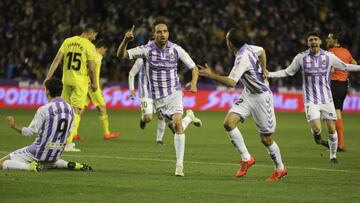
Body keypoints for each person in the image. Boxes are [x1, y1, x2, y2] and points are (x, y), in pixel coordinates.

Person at [198, 28, 287, 182]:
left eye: (226, 39)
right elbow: (262, 51)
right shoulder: (250, 48)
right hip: (248, 93)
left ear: (230, 43)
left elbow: (231, 82)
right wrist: (264, 69)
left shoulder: (242, 58)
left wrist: (210, 75)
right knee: (228, 123)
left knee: (266, 138)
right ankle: (246, 158)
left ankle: (280, 168)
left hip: (261, 97)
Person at [117, 18, 202, 176]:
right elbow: (121, 55)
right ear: (153, 34)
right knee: (176, 129)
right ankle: (189, 117)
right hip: (157, 99)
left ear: (168, 33)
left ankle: (179, 166)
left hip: (174, 93)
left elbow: (194, 67)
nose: (162, 34)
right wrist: (125, 41)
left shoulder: (176, 49)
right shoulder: (146, 50)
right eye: (159, 32)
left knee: (177, 125)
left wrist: (194, 83)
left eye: (165, 31)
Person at [267, 31, 360, 164]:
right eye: (311, 40)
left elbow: (345, 66)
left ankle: (333, 156)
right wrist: (269, 74)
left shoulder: (329, 56)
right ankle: (317, 137)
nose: (313, 42)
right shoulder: (301, 57)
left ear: (320, 42)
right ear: (308, 43)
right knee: (317, 128)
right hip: (311, 101)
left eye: (316, 39)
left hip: (327, 99)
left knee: (332, 129)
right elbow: (287, 72)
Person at [0, 78, 92, 172]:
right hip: (56, 154)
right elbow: (68, 133)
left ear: (47, 91)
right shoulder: (71, 109)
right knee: (48, 162)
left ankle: (29, 167)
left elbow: (29, 133)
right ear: (61, 90)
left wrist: (13, 125)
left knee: (1, 163)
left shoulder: (45, 109)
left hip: (38, 152)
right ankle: (67, 164)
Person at [44, 24, 99, 152]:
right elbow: (91, 67)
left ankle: (56, 140)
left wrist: (48, 77)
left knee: (64, 111)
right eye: (94, 35)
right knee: (76, 112)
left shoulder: (68, 41)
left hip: (66, 80)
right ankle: (68, 143)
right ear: (90, 33)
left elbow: (57, 59)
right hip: (80, 81)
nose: (95, 38)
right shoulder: (89, 46)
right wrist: (94, 82)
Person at [78, 39, 119, 140]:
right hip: (93, 86)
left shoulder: (90, 54)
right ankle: (107, 133)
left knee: (81, 108)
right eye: (105, 50)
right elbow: (92, 69)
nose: (104, 53)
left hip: (85, 84)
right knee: (102, 107)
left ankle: (73, 132)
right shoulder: (97, 56)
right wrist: (94, 83)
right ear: (102, 48)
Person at [326, 32, 357, 152]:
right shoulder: (346, 52)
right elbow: (354, 64)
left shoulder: (330, 53)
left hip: (334, 85)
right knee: (334, 114)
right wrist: (345, 72)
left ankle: (340, 144)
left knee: (334, 114)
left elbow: (331, 68)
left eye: (329, 39)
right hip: (344, 86)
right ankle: (336, 142)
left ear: (336, 40)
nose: (327, 40)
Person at [129, 58, 166, 145]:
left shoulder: (162, 57)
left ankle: (159, 139)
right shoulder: (141, 60)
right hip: (145, 92)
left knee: (162, 115)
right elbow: (131, 73)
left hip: (159, 91)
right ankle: (143, 118)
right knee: (148, 118)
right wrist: (131, 89)